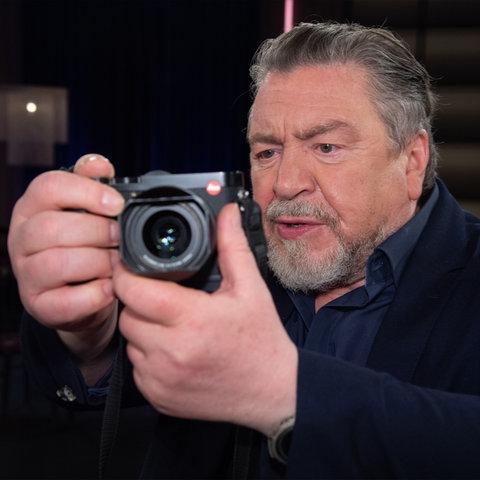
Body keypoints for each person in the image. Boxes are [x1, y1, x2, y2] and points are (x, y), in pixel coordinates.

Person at [8, 21, 480, 479]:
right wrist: (88, 329)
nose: (286, 184)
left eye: (327, 147)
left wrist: (285, 394)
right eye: (267, 153)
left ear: (412, 160)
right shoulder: (233, 259)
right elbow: (103, 374)